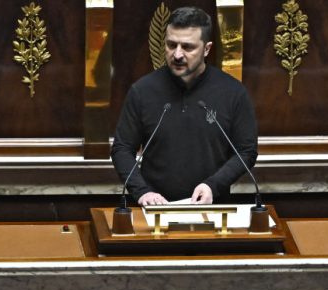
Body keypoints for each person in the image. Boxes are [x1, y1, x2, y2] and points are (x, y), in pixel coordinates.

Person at [111, 6, 258, 206]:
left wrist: (213, 185)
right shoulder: (143, 91)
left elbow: (246, 151)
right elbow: (122, 148)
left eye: (187, 47)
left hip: (212, 209)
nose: (177, 55)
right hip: (154, 209)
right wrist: (143, 192)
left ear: (207, 49)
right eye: (171, 45)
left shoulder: (233, 92)